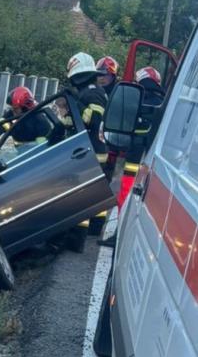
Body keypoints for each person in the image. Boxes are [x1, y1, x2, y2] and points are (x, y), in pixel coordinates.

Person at [65, 52, 110, 249]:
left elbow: (91, 119)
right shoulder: (93, 91)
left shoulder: (92, 93)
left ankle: (77, 240)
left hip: (91, 151)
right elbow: (72, 121)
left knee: (82, 196)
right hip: (92, 149)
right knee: (94, 192)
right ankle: (94, 228)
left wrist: (75, 102)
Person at [117, 66, 164, 209]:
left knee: (126, 192)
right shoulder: (165, 102)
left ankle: (121, 219)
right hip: (155, 158)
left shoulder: (134, 99)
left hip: (133, 155)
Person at [0, 87, 53, 154]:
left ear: (25, 108)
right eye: (11, 108)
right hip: (19, 153)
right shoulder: (11, 115)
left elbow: (41, 148)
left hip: (33, 157)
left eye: (15, 108)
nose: (12, 111)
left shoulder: (40, 120)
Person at [98, 56, 121, 183]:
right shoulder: (96, 92)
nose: (101, 78)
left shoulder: (118, 93)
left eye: (105, 74)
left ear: (113, 75)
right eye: (99, 74)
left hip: (112, 143)